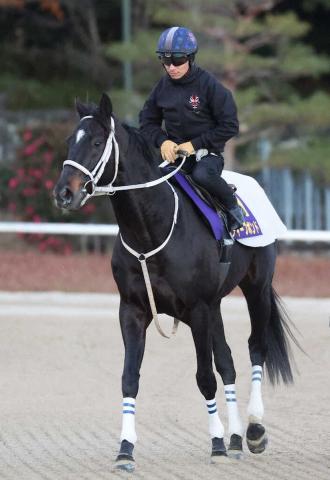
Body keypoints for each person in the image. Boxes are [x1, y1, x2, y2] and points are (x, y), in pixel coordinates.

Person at [139, 26, 245, 231]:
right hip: (176, 158)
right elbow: (146, 122)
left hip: (208, 155)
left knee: (202, 175)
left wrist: (195, 145)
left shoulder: (210, 86)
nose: (171, 67)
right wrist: (163, 141)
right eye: (165, 60)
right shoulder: (161, 87)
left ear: (190, 57)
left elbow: (230, 126)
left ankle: (232, 207)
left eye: (177, 60)